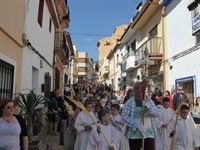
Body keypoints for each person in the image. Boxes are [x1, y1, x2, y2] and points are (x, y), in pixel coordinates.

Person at [121, 82, 159, 150]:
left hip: (149, 134)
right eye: (137, 89)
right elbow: (124, 117)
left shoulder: (150, 101)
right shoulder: (129, 102)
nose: (139, 90)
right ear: (134, 90)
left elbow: (156, 113)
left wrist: (149, 108)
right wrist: (137, 125)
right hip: (134, 135)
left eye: (141, 89)